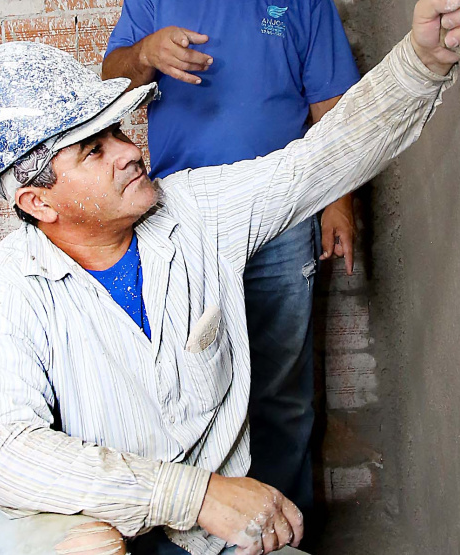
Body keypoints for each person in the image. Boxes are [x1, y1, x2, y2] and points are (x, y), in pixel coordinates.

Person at [0, 1, 460, 554]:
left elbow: (319, 161)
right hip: (80, 530)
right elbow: (6, 454)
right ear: (38, 202)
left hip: (199, 538)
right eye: (93, 151)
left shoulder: (195, 212)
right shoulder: (3, 289)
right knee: (91, 547)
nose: (131, 152)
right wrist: (197, 495)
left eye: (119, 133)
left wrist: (424, 60)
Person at [100, 0, 361, 520]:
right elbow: (111, 83)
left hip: (283, 209)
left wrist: (339, 201)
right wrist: (145, 54)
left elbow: (333, 105)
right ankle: (212, 534)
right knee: (193, 387)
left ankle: (285, 532)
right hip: (185, 219)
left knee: (283, 389)